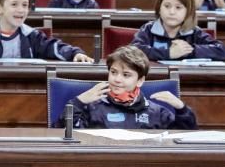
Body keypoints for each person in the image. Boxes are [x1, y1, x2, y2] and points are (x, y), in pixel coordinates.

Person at [58, 46, 198, 129]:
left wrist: (182, 109)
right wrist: (78, 102)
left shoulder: (156, 112)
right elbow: (65, 132)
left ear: (140, 81)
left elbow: (185, 138)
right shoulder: (92, 107)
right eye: (113, 72)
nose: (117, 79)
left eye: (126, 75)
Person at [132, 0, 225, 61]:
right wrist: (168, 53)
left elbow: (222, 50)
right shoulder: (148, 29)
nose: (172, 12)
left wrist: (189, 50)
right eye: (167, 6)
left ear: (188, 11)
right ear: (159, 7)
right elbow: (134, 51)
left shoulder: (194, 32)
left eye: (178, 7)